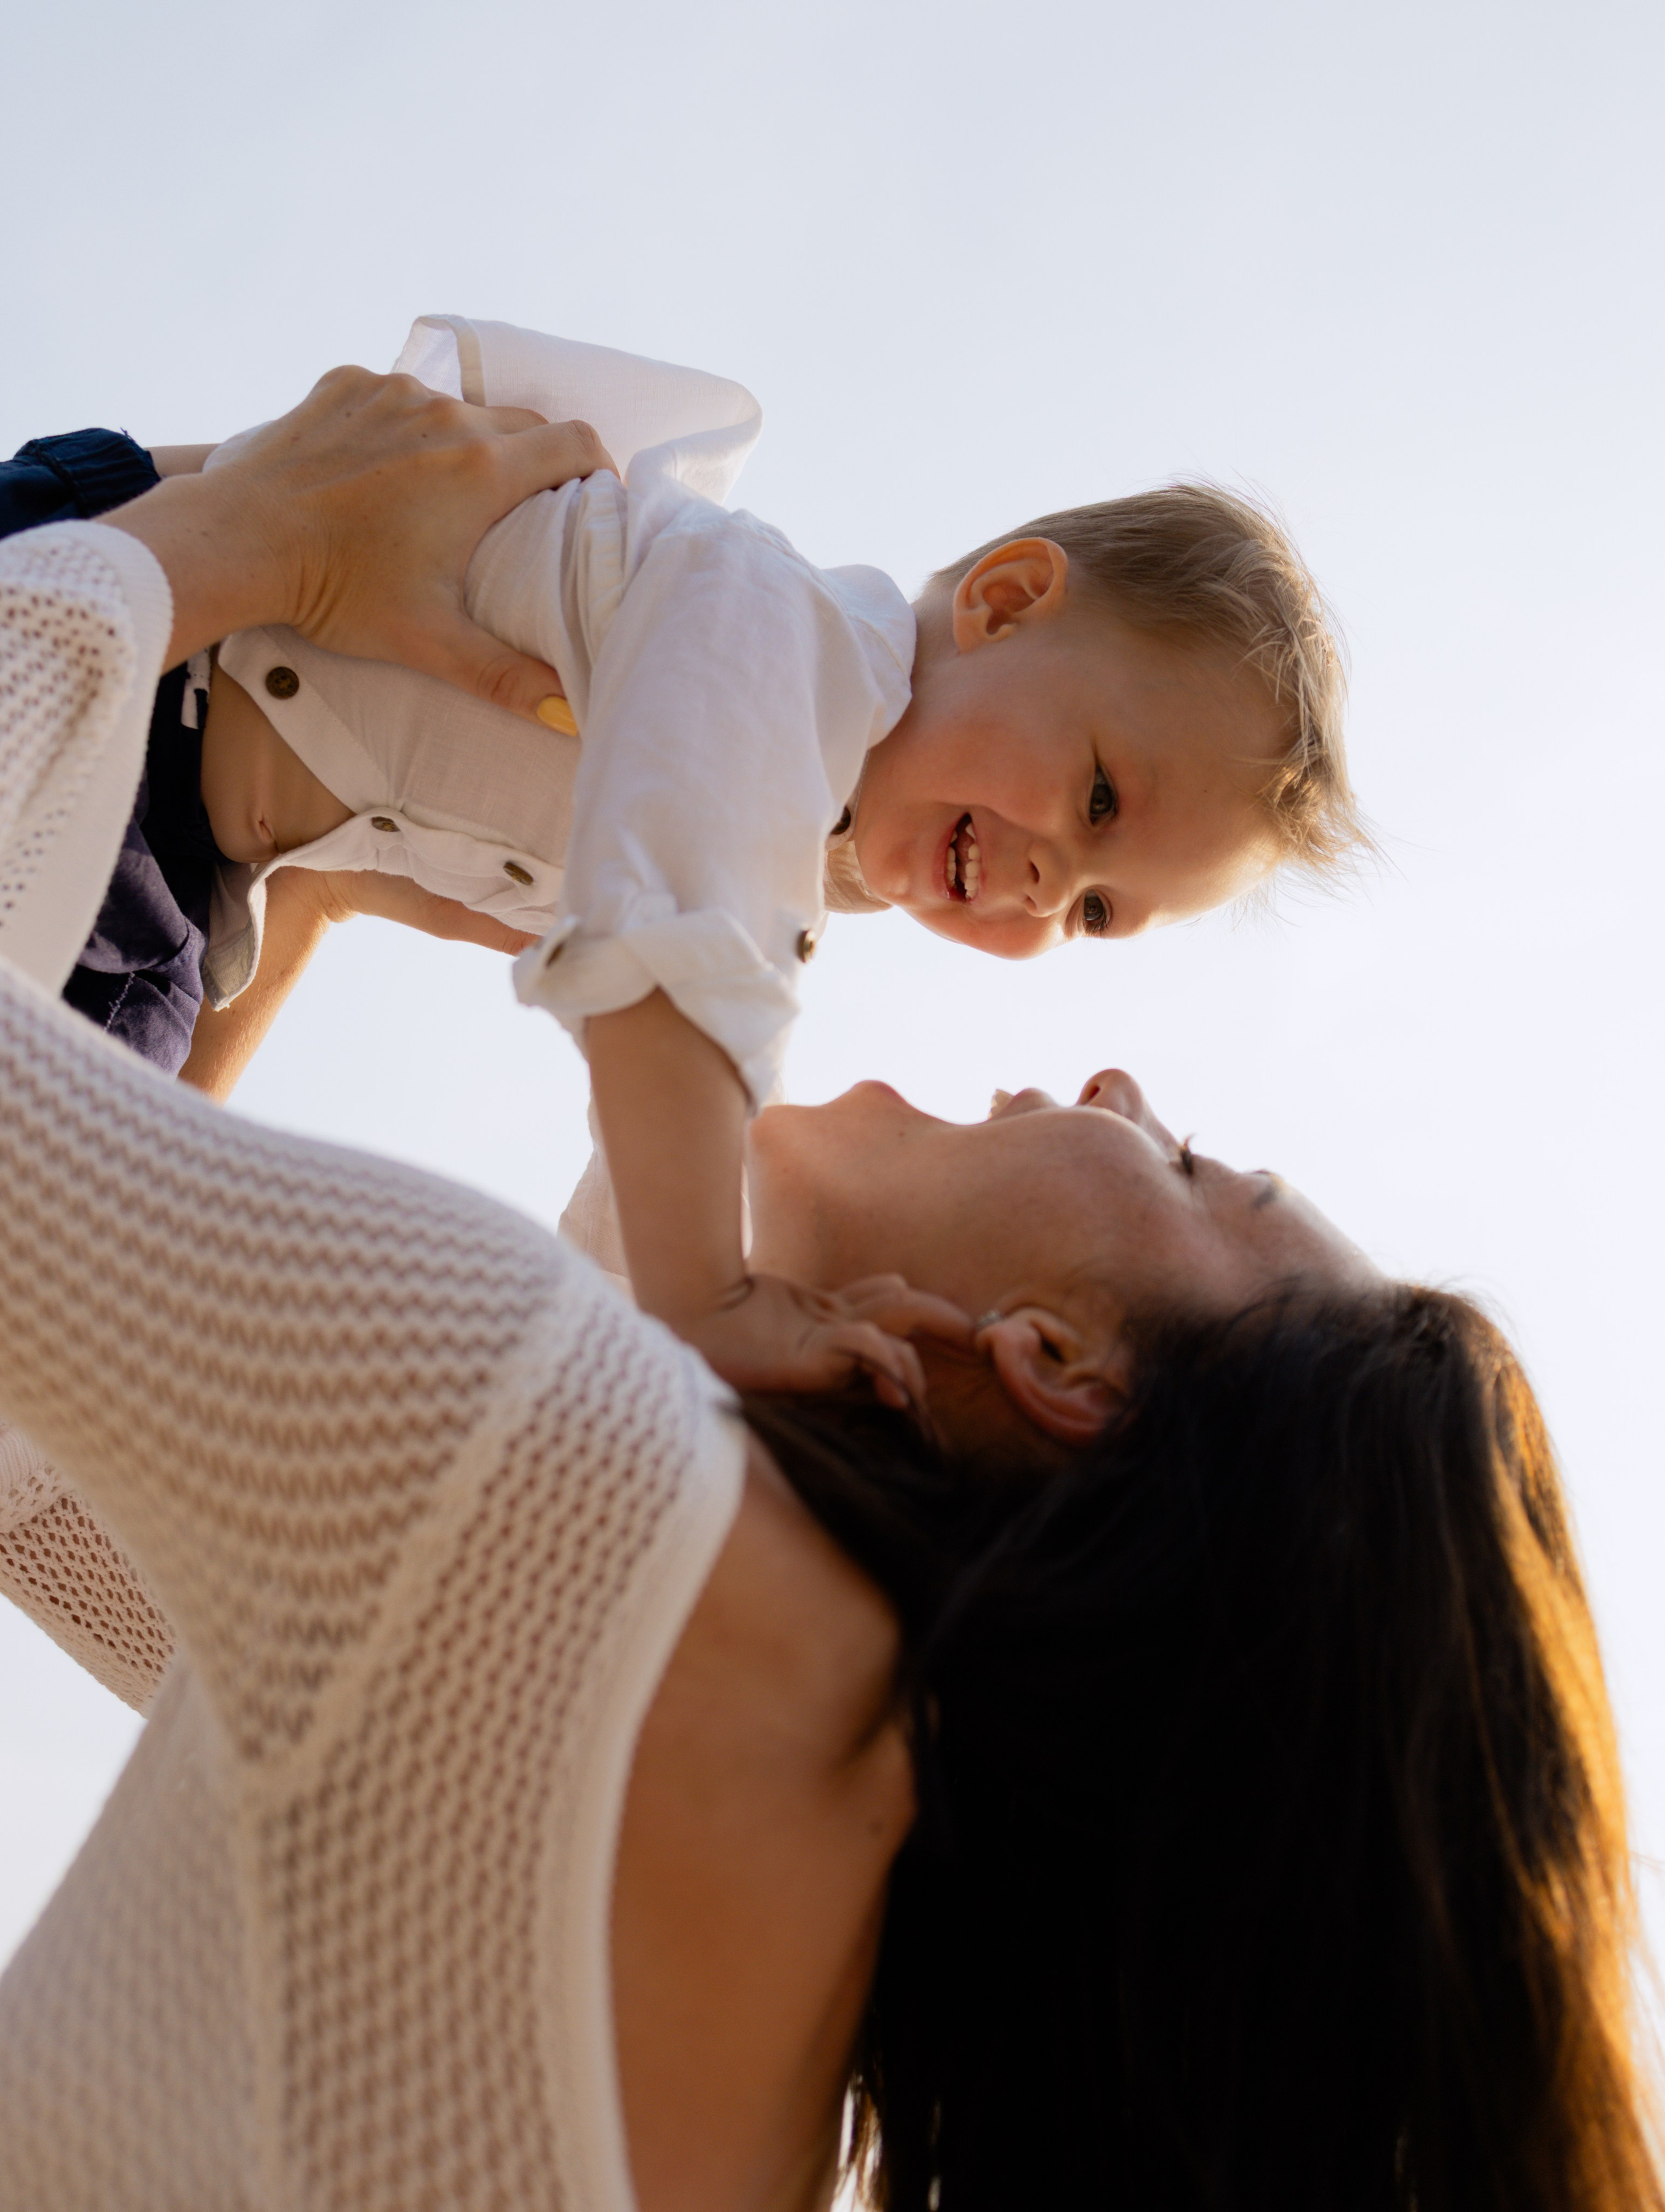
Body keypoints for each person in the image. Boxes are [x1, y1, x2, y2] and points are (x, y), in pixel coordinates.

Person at [0, 377, 1656, 2212]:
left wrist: (208, 554)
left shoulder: (560, 1479)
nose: (1104, 1070)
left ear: (1056, 1366)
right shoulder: (807, 1938)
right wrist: (290, 893)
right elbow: (94, 1522)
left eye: (1187, 1165)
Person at [8, 313, 1363, 1398]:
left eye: (1093, 911)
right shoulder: (780, 639)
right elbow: (670, 957)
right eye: (1100, 798)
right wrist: (709, 1299)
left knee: (64, 1298)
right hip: (121, 625)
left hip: (173, 854)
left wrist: (648, 1374)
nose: (1044, 882)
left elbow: (644, 1123)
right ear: (1003, 605)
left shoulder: (804, 841)